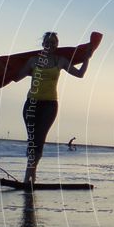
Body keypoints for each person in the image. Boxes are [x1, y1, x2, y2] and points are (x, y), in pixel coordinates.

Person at [15, 32, 92, 187]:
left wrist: (86, 59)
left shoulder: (60, 61)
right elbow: (16, 77)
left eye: (54, 42)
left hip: (50, 105)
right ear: (43, 44)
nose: (51, 45)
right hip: (31, 104)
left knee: (40, 140)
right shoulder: (33, 61)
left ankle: (29, 175)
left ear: (57, 45)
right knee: (32, 141)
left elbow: (80, 74)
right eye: (48, 42)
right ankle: (30, 176)